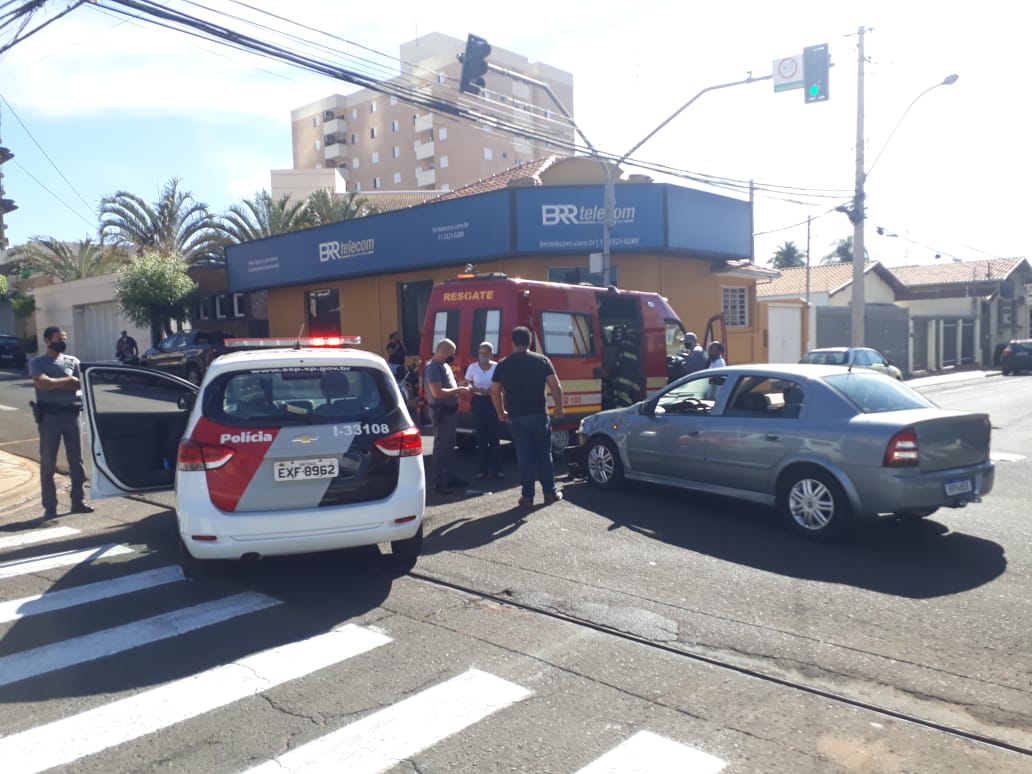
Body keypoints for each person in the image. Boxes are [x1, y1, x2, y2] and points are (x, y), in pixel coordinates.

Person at [491, 326, 565, 507]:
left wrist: (501, 411)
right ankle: (550, 493)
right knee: (544, 454)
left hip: (516, 416)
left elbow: (495, 391)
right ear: (530, 341)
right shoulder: (542, 360)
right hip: (540, 414)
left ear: (512, 342)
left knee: (524, 456)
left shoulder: (503, 364)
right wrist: (559, 407)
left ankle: (527, 496)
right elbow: (555, 386)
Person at [29, 326, 94, 519]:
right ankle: (50, 506)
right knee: (48, 463)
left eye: (64, 338)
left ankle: (78, 502)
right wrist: (67, 380)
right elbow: (42, 383)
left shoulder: (73, 361)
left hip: (71, 416)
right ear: (47, 341)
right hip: (50, 418)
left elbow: (79, 383)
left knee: (77, 462)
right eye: (58, 338)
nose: (62, 341)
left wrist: (56, 382)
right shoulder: (37, 362)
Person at [424, 338, 472, 495]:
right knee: (441, 448)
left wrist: (460, 385)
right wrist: (458, 390)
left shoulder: (444, 366)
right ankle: (440, 482)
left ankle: (451, 477)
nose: (453, 356)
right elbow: (437, 392)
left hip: (450, 411)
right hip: (441, 412)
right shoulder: (433, 368)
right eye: (451, 353)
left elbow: (448, 386)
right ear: (443, 352)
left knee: (450, 446)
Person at [463, 341, 504, 480]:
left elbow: (502, 385)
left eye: (486, 353)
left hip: (493, 401)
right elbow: (467, 383)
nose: (483, 356)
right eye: (481, 353)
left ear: (491, 354)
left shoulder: (497, 367)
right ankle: (482, 470)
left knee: (494, 437)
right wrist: (476, 389)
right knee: (481, 437)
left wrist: (493, 391)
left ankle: (497, 470)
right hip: (479, 401)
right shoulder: (473, 367)